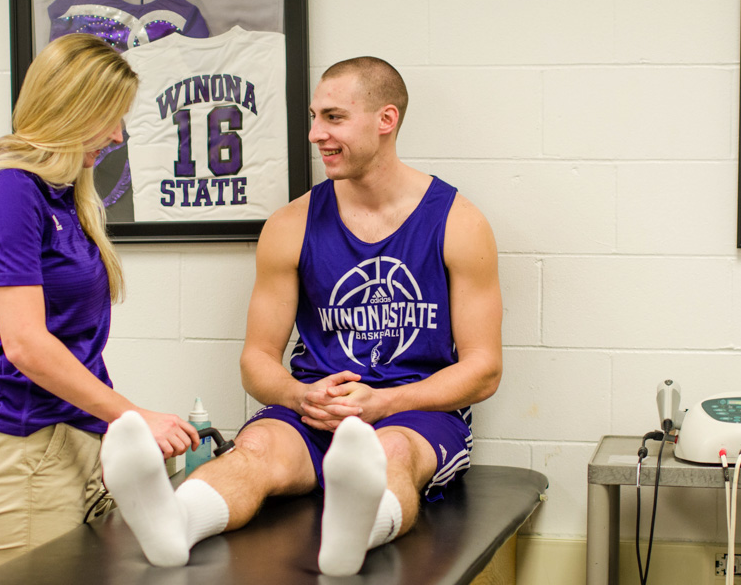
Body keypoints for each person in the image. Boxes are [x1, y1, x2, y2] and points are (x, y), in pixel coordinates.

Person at [100, 56, 503, 576]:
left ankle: (354, 534)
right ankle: (175, 523)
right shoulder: (291, 224)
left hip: (413, 409)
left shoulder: (458, 222)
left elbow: (484, 368)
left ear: (386, 119)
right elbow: (257, 360)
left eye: (333, 118)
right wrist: (300, 396)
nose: (315, 134)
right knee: (255, 448)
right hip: (316, 405)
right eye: (315, 117)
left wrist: (384, 402)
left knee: (390, 453)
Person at [0, 33, 200, 568]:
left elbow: (70, 341)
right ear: (68, 110)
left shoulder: (62, 194)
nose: (118, 135)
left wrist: (112, 430)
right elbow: (25, 344)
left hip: (78, 435)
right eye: (109, 117)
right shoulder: (8, 191)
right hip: (24, 447)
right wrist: (135, 418)